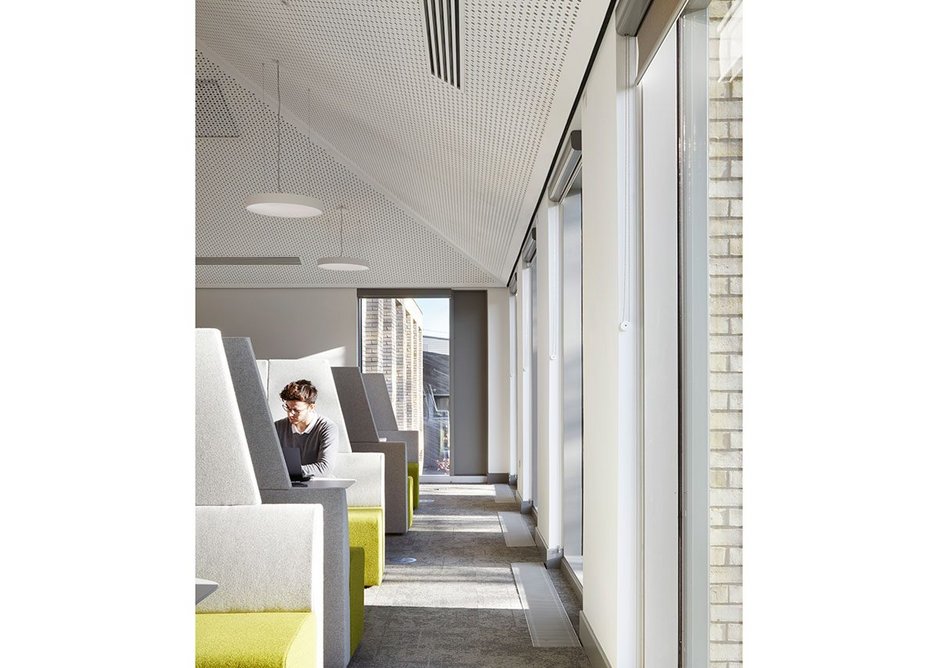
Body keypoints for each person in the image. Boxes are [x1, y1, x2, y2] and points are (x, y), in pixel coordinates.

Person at [274, 379, 337, 477]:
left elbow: (325, 468)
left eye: (296, 410)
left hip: (320, 487)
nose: (290, 414)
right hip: (288, 486)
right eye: (288, 408)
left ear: (311, 407)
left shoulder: (327, 428)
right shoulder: (277, 427)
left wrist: (289, 472)